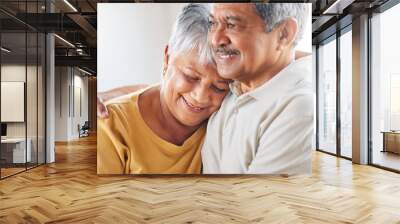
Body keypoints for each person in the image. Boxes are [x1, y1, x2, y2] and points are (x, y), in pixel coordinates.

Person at [97, 4, 231, 174]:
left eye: (219, 87)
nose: (200, 97)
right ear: (167, 58)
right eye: (190, 77)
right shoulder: (110, 127)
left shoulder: (221, 122)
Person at [201, 3, 313, 174]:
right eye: (213, 24)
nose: (215, 39)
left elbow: (258, 199)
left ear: (284, 34)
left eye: (232, 25)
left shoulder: (299, 107)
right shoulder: (230, 87)